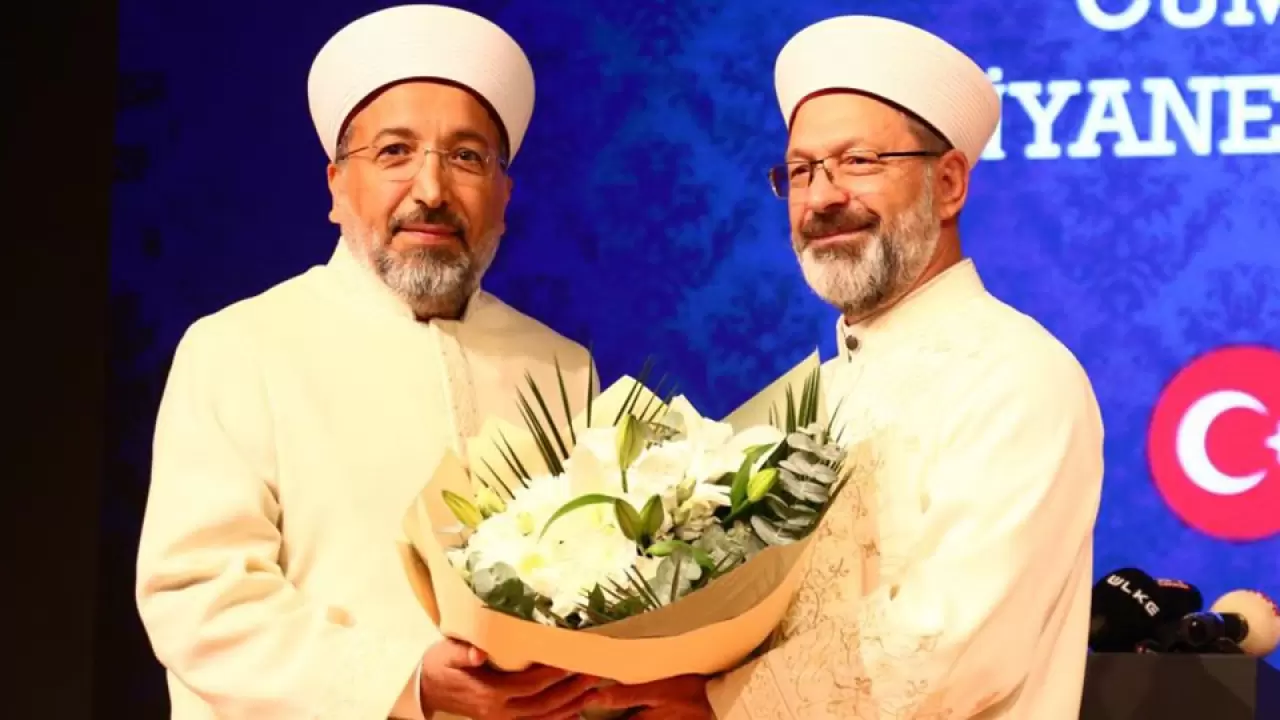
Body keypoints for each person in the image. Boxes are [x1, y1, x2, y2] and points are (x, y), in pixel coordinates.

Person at [586, 15, 1105, 720]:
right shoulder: (814, 398)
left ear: (949, 183)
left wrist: (722, 704)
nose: (823, 198)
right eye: (802, 171)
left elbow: (954, 649)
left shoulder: (1018, 377)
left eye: (859, 162)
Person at [134, 6, 599, 719]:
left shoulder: (561, 368)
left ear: (504, 196)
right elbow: (198, 597)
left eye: (467, 157)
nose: (432, 191)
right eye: (394, 152)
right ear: (336, 186)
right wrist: (404, 681)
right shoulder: (239, 347)